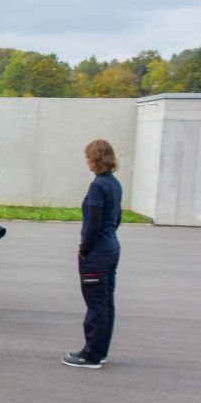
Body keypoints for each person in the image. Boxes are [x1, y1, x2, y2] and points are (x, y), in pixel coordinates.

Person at [63, 139, 122, 369]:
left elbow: (93, 224)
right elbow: (116, 218)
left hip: (97, 252)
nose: (86, 161)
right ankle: (100, 350)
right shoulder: (114, 184)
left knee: (96, 304)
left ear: (95, 159)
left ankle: (91, 355)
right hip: (111, 247)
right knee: (106, 303)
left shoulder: (98, 186)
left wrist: (84, 249)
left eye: (88, 157)